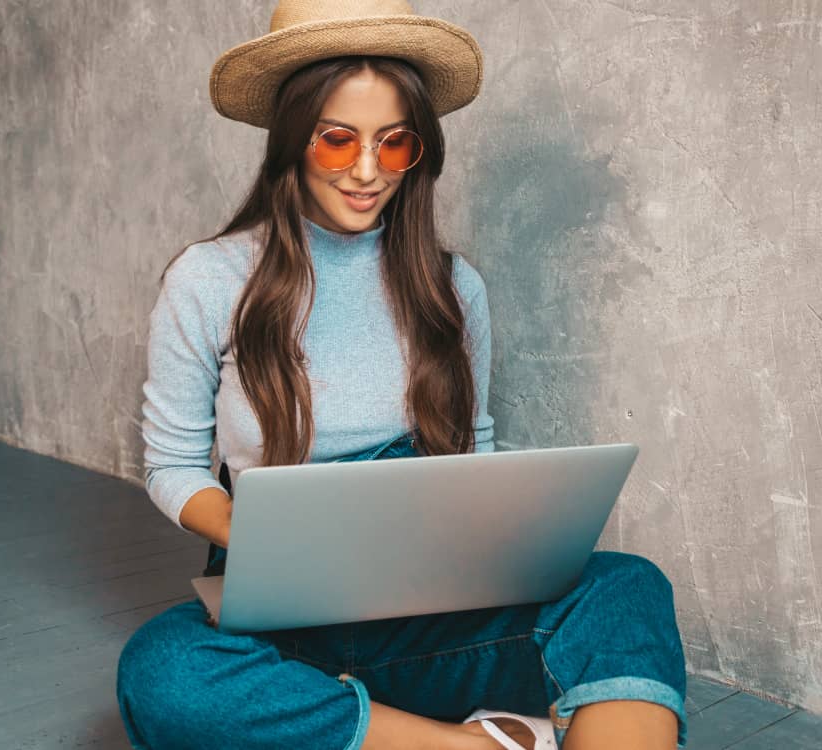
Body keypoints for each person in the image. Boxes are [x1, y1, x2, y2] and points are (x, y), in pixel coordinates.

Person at [115, 1, 687, 748]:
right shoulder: (209, 278)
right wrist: (262, 539)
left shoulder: (455, 289)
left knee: (625, 587)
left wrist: (505, 530)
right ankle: (480, 744)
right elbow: (171, 466)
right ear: (293, 138)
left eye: (393, 144)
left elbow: (474, 449)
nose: (366, 171)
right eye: (337, 141)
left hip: (432, 608)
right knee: (165, 670)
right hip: (288, 615)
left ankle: (373, 730)